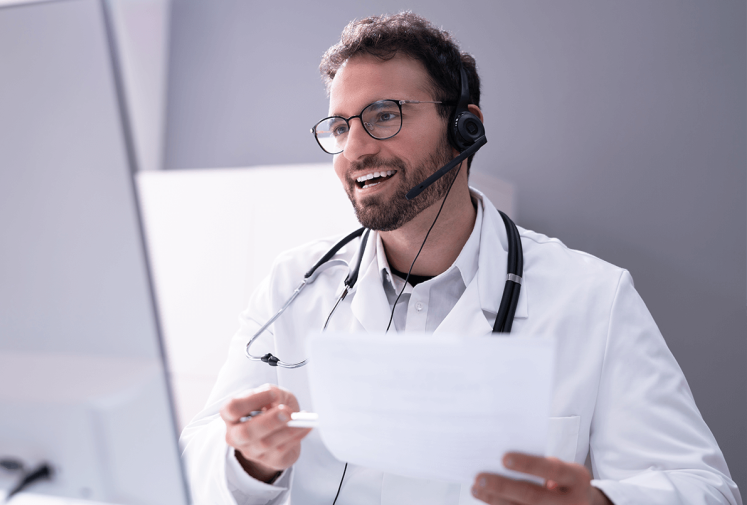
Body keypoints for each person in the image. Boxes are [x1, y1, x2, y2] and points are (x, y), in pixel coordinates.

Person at [179, 12, 742, 505]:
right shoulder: (293, 286)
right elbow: (193, 462)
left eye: (384, 115)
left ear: (463, 126)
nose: (354, 148)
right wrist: (249, 460)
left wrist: (597, 503)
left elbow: (705, 488)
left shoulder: (593, 297)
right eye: (341, 126)